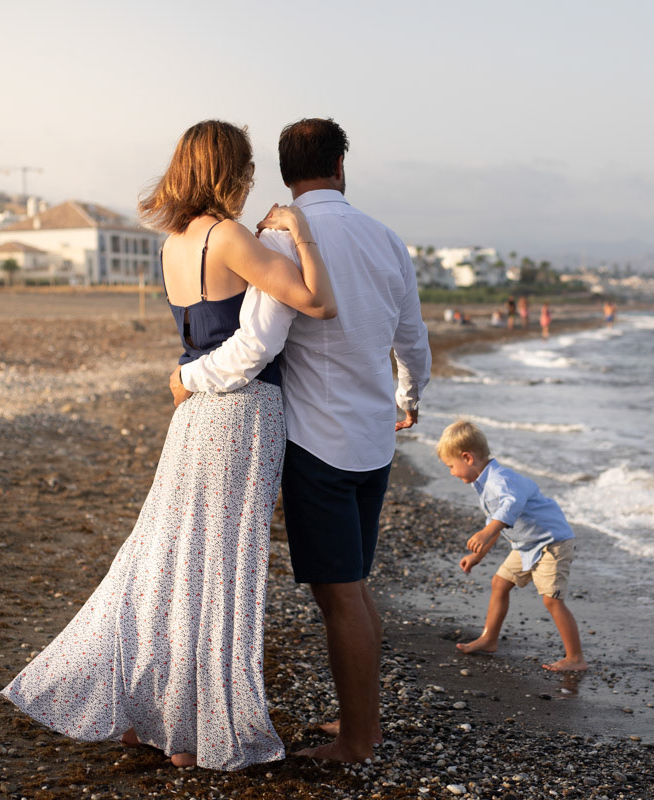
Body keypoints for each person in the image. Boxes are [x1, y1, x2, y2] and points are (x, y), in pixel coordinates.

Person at [0, 120, 337, 770]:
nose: (247, 185)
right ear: (228, 173)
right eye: (243, 171)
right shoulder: (231, 237)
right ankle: (196, 731)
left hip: (192, 417)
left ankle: (149, 714)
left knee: (171, 565)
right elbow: (317, 303)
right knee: (220, 572)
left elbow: (202, 337)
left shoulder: (174, 241)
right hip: (241, 415)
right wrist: (301, 231)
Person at [173, 117, 431, 762]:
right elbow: (413, 339)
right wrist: (408, 399)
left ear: (285, 173)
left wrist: (188, 376)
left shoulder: (280, 239)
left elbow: (258, 343)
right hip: (374, 437)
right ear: (341, 165)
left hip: (317, 443)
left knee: (339, 591)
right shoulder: (387, 239)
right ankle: (362, 726)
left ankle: (356, 739)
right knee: (355, 584)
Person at [437, 420, 587, 672]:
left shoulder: (500, 481)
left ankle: (575, 658)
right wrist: (478, 555)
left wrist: (485, 533)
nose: (451, 472)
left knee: (552, 601)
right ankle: (489, 638)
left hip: (552, 543)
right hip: (526, 544)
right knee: (499, 583)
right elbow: (498, 522)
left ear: (467, 457)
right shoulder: (485, 484)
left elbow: (511, 506)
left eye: (451, 466)